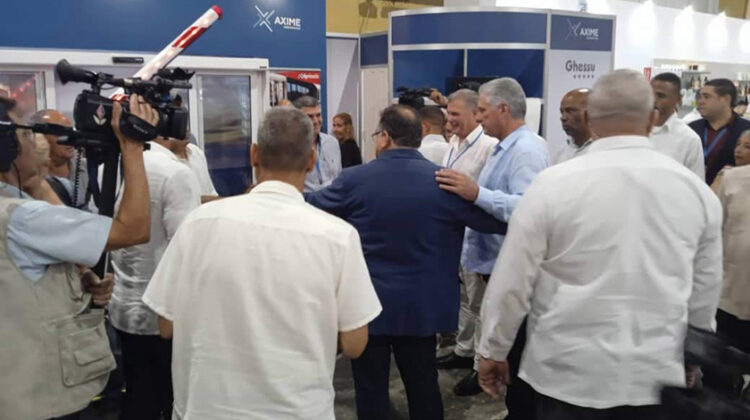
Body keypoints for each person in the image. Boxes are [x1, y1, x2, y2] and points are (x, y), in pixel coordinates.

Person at [477, 69, 722, 420]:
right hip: (655, 376)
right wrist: (692, 358)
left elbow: (512, 281)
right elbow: (704, 290)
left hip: (565, 373)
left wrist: (493, 350)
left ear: (591, 119)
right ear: (652, 119)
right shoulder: (696, 192)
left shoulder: (552, 185)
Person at [141, 107, 381, 419]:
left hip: (205, 409)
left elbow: (166, 325)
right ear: (311, 161)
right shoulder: (338, 237)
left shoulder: (198, 223)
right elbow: (355, 343)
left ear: (254, 154)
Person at [307, 105, 507, 420]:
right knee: (423, 384)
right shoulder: (446, 182)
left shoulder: (355, 179)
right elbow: (495, 221)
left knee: (370, 389)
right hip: (422, 307)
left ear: (385, 137)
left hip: (368, 304)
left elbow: (308, 207)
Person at [0, 95, 153, 419]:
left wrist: (74, 279)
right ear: (6, 147)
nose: (36, 142)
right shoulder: (21, 217)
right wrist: (132, 147)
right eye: (26, 134)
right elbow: (134, 229)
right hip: (42, 401)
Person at [436, 78, 548, 406]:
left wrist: (476, 193)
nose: (478, 117)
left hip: (509, 266)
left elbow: (528, 208)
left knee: (515, 354)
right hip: (493, 261)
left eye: (482, 110)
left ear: (503, 109)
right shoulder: (505, 148)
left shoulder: (526, 151)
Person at [108, 129, 201, 419]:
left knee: (137, 394)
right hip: (162, 316)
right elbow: (186, 250)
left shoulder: (114, 164)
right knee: (168, 400)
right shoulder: (175, 174)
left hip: (122, 306)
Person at [435, 89, 498, 373]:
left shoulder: (489, 146)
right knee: (463, 298)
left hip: (478, 235)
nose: (449, 119)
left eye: (455, 114)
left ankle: (478, 364)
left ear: (475, 113)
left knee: (480, 302)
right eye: (448, 113)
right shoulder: (452, 143)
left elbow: (488, 193)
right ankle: (463, 349)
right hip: (454, 236)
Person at [713, 131, 750, 396]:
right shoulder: (732, 179)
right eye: (739, 144)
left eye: (747, 146)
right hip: (730, 290)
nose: (739, 150)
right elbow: (714, 232)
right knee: (722, 369)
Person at [689, 78, 750, 184]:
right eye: (699, 97)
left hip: (733, 190)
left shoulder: (746, 130)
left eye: (706, 97)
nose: (700, 102)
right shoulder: (691, 129)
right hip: (692, 189)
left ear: (726, 99)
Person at [29, 109, 90, 208]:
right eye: (61, 132)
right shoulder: (28, 176)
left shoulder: (91, 170)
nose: (70, 139)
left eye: (71, 132)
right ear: (39, 135)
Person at [649, 73, 705, 179]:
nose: (653, 100)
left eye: (661, 96)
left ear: (678, 99)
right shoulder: (632, 130)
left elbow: (696, 181)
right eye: (649, 94)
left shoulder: (689, 139)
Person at [294, 96, 342, 191]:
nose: (316, 121)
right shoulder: (290, 147)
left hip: (332, 197)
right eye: (310, 116)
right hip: (305, 199)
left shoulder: (332, 143)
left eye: (318, 115)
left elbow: (338, 176)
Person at [170, 133, 219, 203]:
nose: (186, 130)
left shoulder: (196, 151)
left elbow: (211, 191)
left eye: (186, 127)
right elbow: (185, 200)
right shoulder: (164, 161)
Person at [553, 89, 592, 164]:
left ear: (589, 113)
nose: (563, 118)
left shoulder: (602, 151)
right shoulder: (561, 154)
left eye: (570, 111)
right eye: (562, 112)